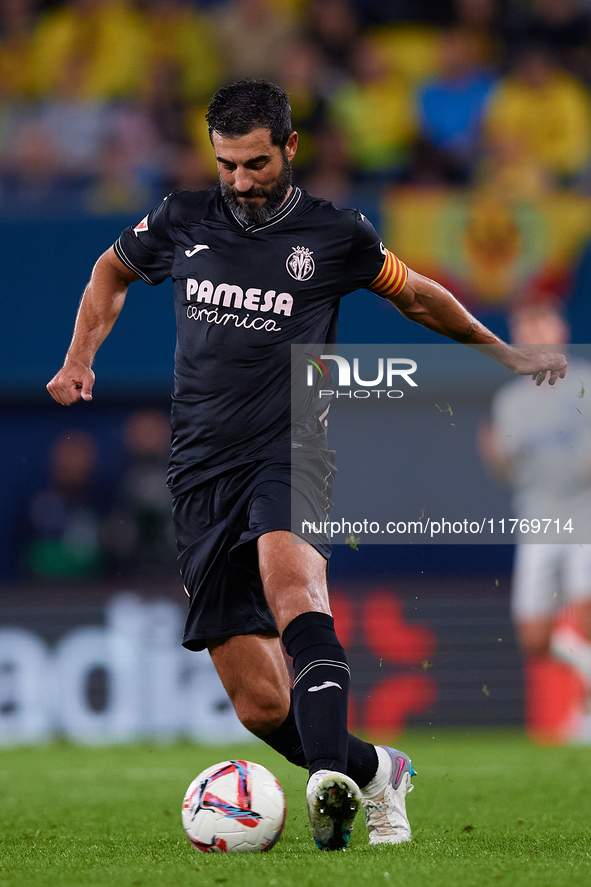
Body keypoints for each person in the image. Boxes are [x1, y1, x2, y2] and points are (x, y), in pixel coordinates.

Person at [47, 80, 567, 851]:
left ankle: (330, 789)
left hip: (290, 447)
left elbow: (419, 296)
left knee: (294, 586)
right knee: (260, 706)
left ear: (289, 148)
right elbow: (110, 270)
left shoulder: (335, 235)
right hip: (198, 472)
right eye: (226, 164)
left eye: (255, 163)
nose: (240, 181)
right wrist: (78, 356)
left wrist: (504, 355)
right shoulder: (182, 218)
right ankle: (374, 770)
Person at [478, 299, 591, 740]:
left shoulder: (585, 383)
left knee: (586, 618)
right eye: (525, 325)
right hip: (539, 521)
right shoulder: (510, 401)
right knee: (534, 638)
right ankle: (586, 674)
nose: (535, 333)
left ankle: (584, 716)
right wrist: (495, 456)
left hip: (585, 516)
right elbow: (509, 471)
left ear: (560, 329)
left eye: (541, 321)